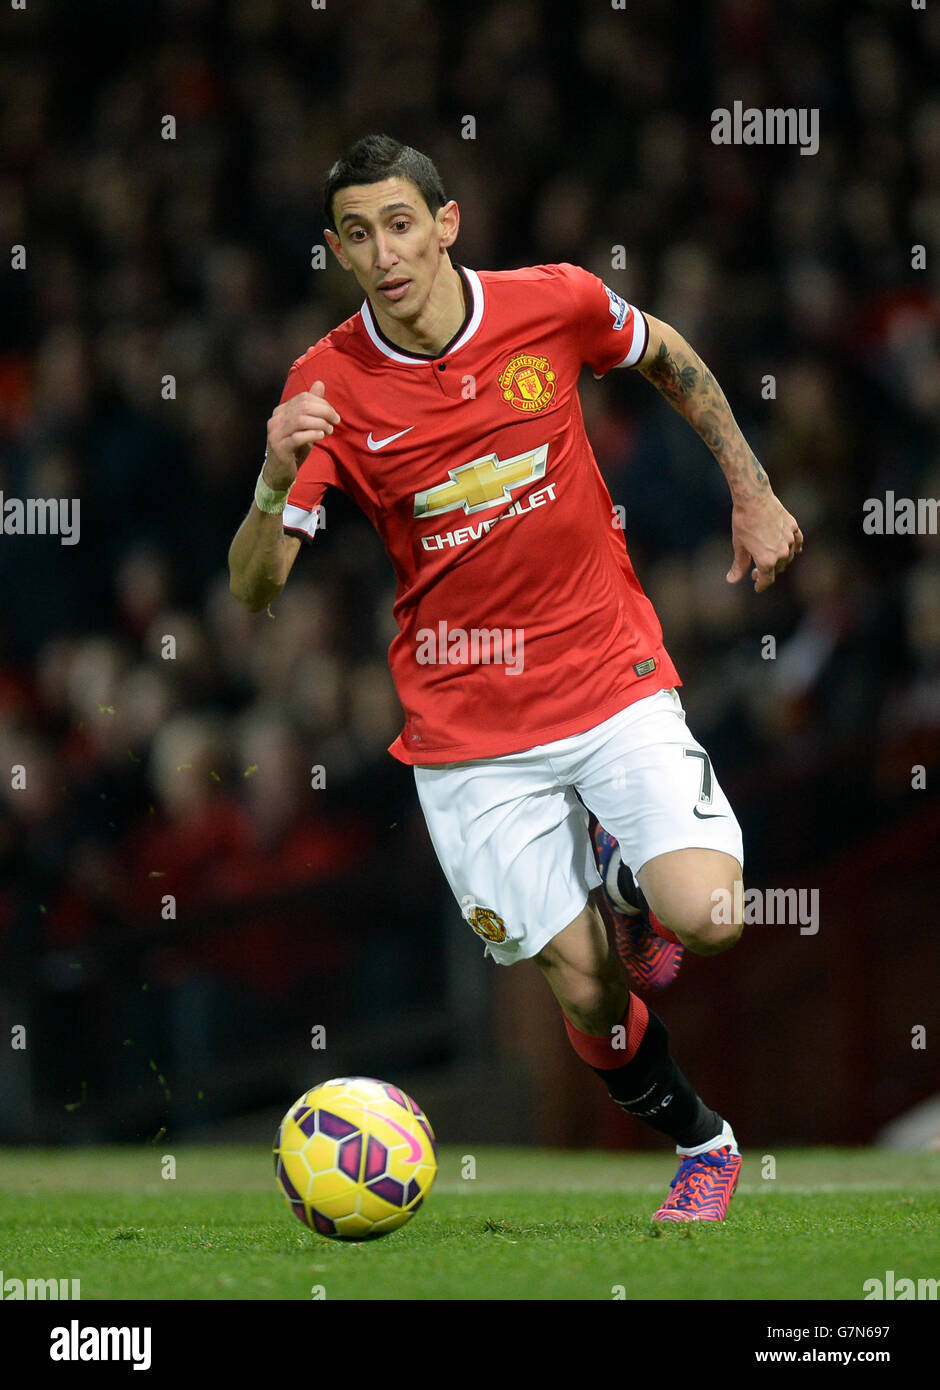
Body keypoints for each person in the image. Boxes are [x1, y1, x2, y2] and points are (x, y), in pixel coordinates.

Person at [228, 135, 802, 1221]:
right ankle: (705, 1141)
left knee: (713, 914)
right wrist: (268, 481)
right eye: (358, 234)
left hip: (605, 669)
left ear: (446, 224)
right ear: (337, 251)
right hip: (466, 730)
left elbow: (667, 353)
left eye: (401, 223)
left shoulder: (553, 304)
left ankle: (627, 876)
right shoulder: (325, 386)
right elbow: (255, 587)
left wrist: (752, 486)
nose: (384, 252)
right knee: (585, 990)